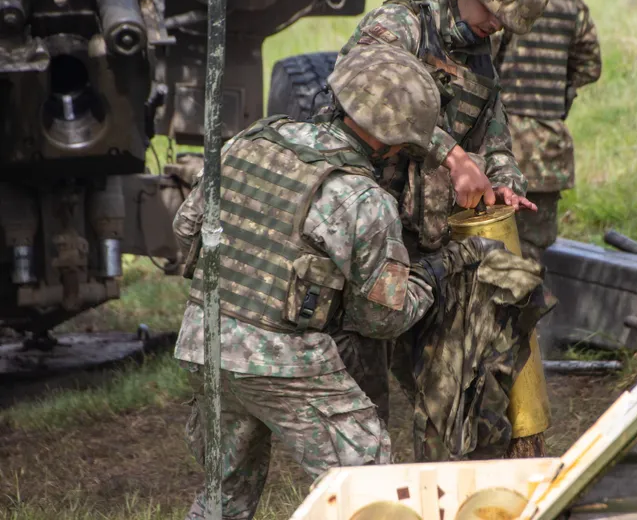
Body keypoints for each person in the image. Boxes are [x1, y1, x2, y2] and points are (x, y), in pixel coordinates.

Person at [172, 44, 502, 520]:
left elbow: (187, 231)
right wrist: (431, 272)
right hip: (282, 363)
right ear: (395, 144)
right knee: (373, 490)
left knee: (223, 499)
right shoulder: (362, 199)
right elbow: (382, 319)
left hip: (203, 341)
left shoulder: (247, 142)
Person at [334, 0, 556, 458]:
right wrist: (451, 156)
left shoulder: (481, 53)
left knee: (451, 394)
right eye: (494, 12)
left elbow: (493, 132)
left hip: (431, 248)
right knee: (364, 403)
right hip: (367, 240)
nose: (498, 25)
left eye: (507, 19)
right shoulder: (398, 27)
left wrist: (505, 184)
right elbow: (368, 103)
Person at [482, 0, 602, 262]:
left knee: (480, 255)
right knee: (529, 257)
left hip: (493, 146)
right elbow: (590, 66)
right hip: (547, 153)